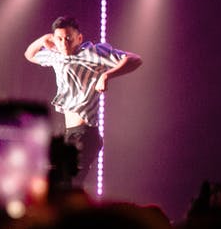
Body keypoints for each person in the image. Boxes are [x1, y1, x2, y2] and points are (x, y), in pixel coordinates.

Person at [24, 16, 143, 188]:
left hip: (84, 134)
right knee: (57, 184)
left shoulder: (93, 53)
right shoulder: (56, 56)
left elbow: (134, 59)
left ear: (79, 38)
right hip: (69, 134)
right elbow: (29, 54)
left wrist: (106, 75)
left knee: (68, 185)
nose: (64, 43)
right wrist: (44, 39)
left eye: (68, 38)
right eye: (59, 39)